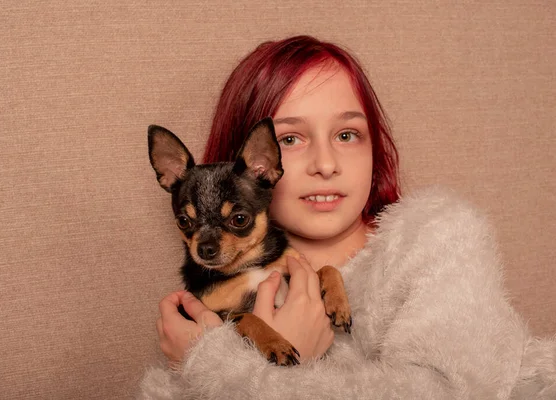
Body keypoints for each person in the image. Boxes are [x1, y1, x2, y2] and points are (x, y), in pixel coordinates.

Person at [140, 35, 556, 399]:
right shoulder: (210, 298)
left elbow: (455, 393)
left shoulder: (437, 236)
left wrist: (220, 362)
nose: (325, 163)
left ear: (375, 148)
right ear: (247, 160)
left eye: (346, 134)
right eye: (290, 138)